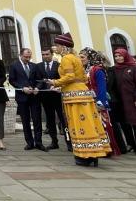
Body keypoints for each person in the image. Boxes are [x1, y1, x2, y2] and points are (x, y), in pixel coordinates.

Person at [46, 33, 111, 167]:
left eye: (57, 46)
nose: (55, 48)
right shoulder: (76, 58)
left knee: (77, 124)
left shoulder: (66, 59)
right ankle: (94, 151)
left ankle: (85, 154)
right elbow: (84, 78)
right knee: (88, 122)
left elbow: (69, 76)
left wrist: (55, 82)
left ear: (63, 47)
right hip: (82, 93)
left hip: (73, 96)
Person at [79, 48, 120, 157]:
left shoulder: (97, 70)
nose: (80, 59)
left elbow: (102, 87)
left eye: (82, 57)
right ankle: (97, 148)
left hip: (97, 101)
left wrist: (100, 102)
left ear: (90, 58)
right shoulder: (84, 70)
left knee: (104, 125)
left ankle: (108, 149)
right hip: (87, 102)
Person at [111, 49, 136, 155]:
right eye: (116, 56)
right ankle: (130, 143)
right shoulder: (114, 69)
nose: (118, 58)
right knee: (124, 123)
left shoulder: (135, 68)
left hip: (133, 101)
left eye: (120, 56)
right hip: (120, 101)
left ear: (125, 56)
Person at [9, 48, 46, 152]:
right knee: (25, 120)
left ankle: (39, 142)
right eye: (26, 57)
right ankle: (29, 142)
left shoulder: (34, 66)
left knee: (37, 120)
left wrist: (37, 87)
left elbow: (40, 80)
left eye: (29, 57)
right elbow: (12, 80)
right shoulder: (14, 66)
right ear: (20, 55)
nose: (28, 59)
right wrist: (22, 88)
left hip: (34, 96)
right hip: (22, 97)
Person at [34, 47, 70, 152]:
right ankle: (54, 141)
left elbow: (62, 79)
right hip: (45, 98)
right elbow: (40, 80)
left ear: (51, 54)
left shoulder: (58, 65)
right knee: (50, 121)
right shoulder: (39, 66)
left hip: (57, 97)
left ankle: (69, 142)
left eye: (47, 54)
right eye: (43, 54)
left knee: (63, 120)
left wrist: (57, 86)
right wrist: (37, 88)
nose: (45, 56)